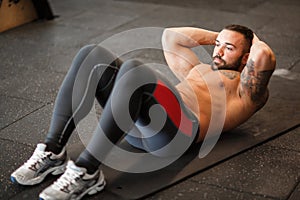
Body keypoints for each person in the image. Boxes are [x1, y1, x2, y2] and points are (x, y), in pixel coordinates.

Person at [10, 24, 276, 200]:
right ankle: (52, 151)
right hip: (143, 123)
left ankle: (86, 171)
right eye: (217, 45)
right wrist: (221, 38)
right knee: (91, 54)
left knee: (136, 69)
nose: (217, 51)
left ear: (245, 57)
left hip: (178, 134)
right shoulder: (199, 68)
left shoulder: (247, 92)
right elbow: (171, 36)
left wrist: (251, 40)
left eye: (228, 48)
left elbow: (264, 54)